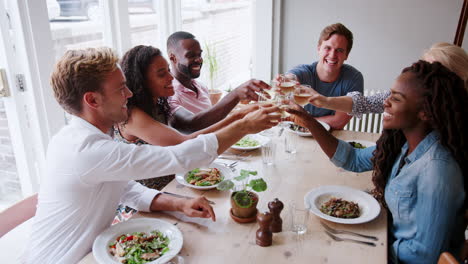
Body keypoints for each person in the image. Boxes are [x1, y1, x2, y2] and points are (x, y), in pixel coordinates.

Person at [25, 47, 280, 263]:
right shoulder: (85, 150)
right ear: (92, 100)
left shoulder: (84, 138)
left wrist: (178, 203)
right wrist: (244, 125)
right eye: (121, 89)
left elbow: (124, 188)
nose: (129, 94)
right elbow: (178, 157)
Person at [287, 60, 468, 263]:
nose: (385, 102)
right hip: (385, 241)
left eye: (396, 99)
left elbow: (423, 256)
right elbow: (352, 159)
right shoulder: (404, 143)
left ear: (425, 112)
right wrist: (310, 122)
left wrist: (370, 249)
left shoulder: (438, 169)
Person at [116, 45, 260, 189]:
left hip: (173, 185)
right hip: (149, 199)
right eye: (161, 74)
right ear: (141, 81)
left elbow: (192, 128)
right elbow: (184, 144)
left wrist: (239, 116)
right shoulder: (133, 116)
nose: (171, 77)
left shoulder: (159, 103)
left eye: (168, 70)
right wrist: (239, 117)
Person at [305, 42, 468, 118]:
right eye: (423, 70)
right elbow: (363, 103)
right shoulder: (411, 99)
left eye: (433, 72)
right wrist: (325, 101)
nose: (424, 77)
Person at [167, 31, 267, 132]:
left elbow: (209, 120)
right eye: (191, 55)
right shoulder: (169, 93)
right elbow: (191, 125)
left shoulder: (200, 86)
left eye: (199, 54)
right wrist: (236, 94)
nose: (199, 60)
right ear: (173, 58)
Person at [286, 23, 364, 130]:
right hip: (297, 133)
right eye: (328, 48)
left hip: (330, 136)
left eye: (340, 50)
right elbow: (291, 77)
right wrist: (285, 81)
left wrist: (302, 121)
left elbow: (338, 122)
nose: (332, 55)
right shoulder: (304, 72)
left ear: (346, 55)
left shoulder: (354, 78)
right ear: (319, 49)